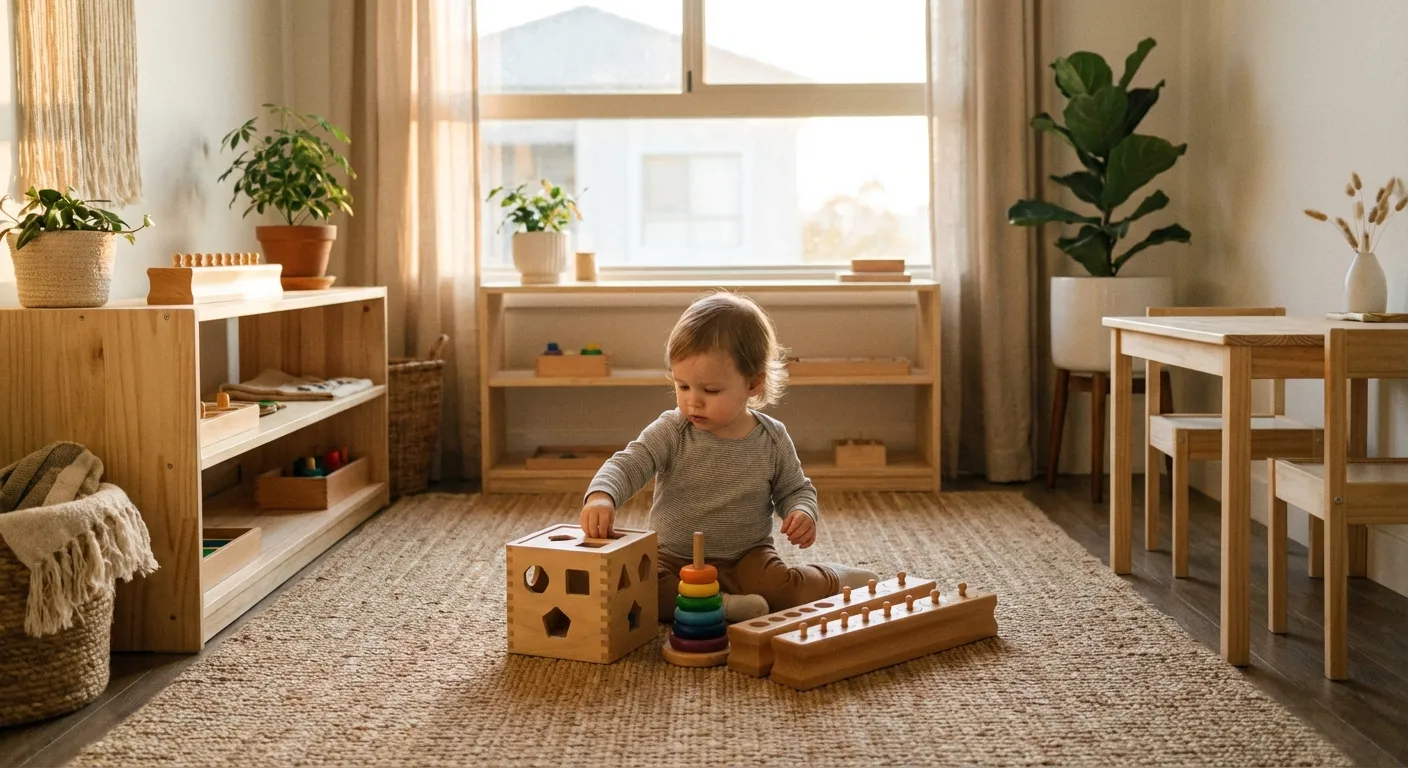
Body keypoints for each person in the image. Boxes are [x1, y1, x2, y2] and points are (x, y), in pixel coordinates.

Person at [579, 291, 877, 623]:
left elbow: (796, 489)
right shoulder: (672, 430)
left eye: (710, 390)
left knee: (781, 590)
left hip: (747, 557)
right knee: (641, 592)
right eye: (682, 386)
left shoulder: (771, 437)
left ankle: (832, 579)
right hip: (674, 558)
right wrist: (602, 495)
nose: (693, 402)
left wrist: (802, 511)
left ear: (753, 383)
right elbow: (629, 462)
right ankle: (723, 607)